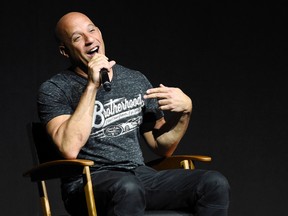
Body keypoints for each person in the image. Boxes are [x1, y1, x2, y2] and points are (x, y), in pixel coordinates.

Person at [37, 11, 230, 216]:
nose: (89, 39)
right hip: (88, 184)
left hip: (138, 176)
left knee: (213, 184)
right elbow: (69, 148)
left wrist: (185, 113)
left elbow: (161, 146)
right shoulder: (54, 89)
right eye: (77, 37)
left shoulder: (135, 80)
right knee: (128, 188)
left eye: (91, 29)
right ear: (65, 51)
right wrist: (93, 85)